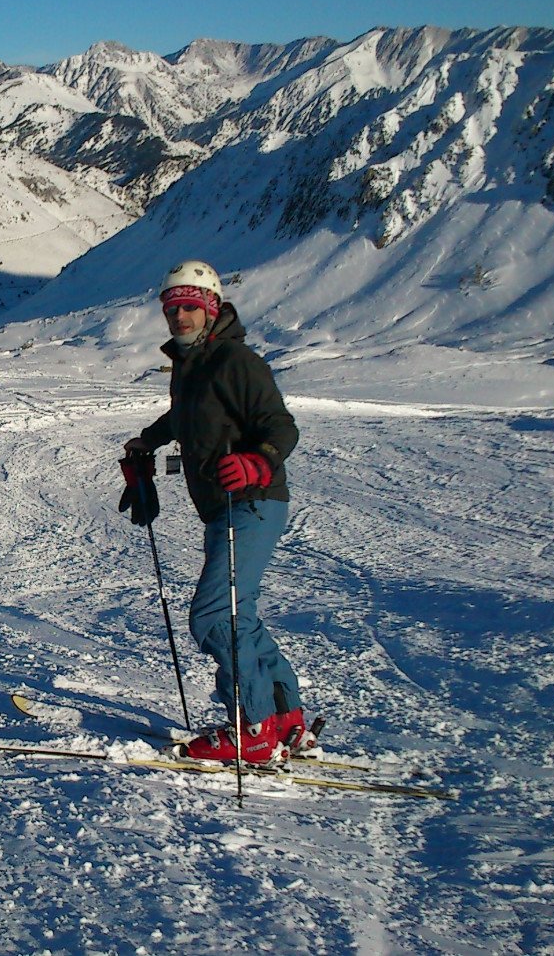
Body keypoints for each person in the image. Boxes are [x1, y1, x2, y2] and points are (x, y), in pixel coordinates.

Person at [120, 260, 315, 765]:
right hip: (222, 508)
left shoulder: (235, 361)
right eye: (172, 308)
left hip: (251, 502)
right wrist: (152, 439)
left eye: (190, 307)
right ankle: (284, 715)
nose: (180, 316)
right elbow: (187, 414)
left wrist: (258, 461)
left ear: (210, 309)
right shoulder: (192, 365)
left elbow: (281, 426)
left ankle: (252, 730)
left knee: (213, 617)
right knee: (238, 616)